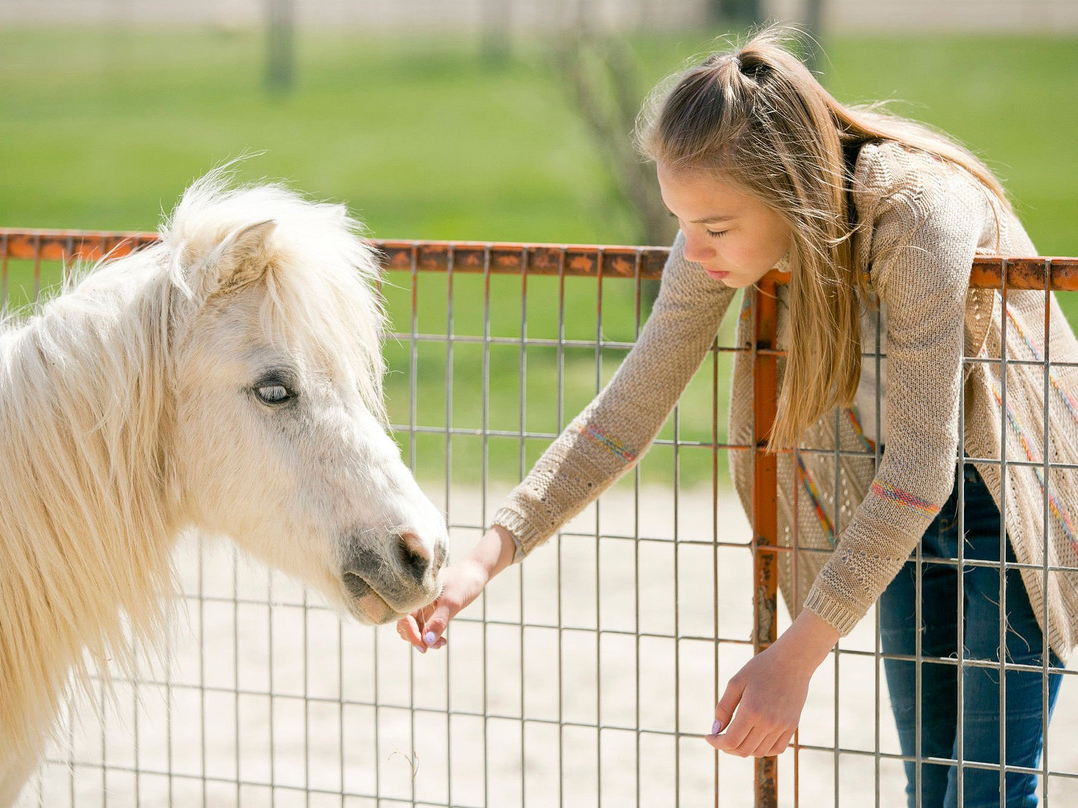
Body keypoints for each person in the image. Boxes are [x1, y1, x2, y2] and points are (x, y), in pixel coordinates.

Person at [397, 26, 1078, 808]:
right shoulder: (721, 231)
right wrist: (490, 551)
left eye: (715, 229)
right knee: (932, 788)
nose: (694, 250)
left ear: (793, 193)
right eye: (682, 222)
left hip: (1018, 502)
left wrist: (791, 662)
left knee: (989, 793)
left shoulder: (918, 214)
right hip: (898, 519)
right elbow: (630, 408)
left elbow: (923, 462)